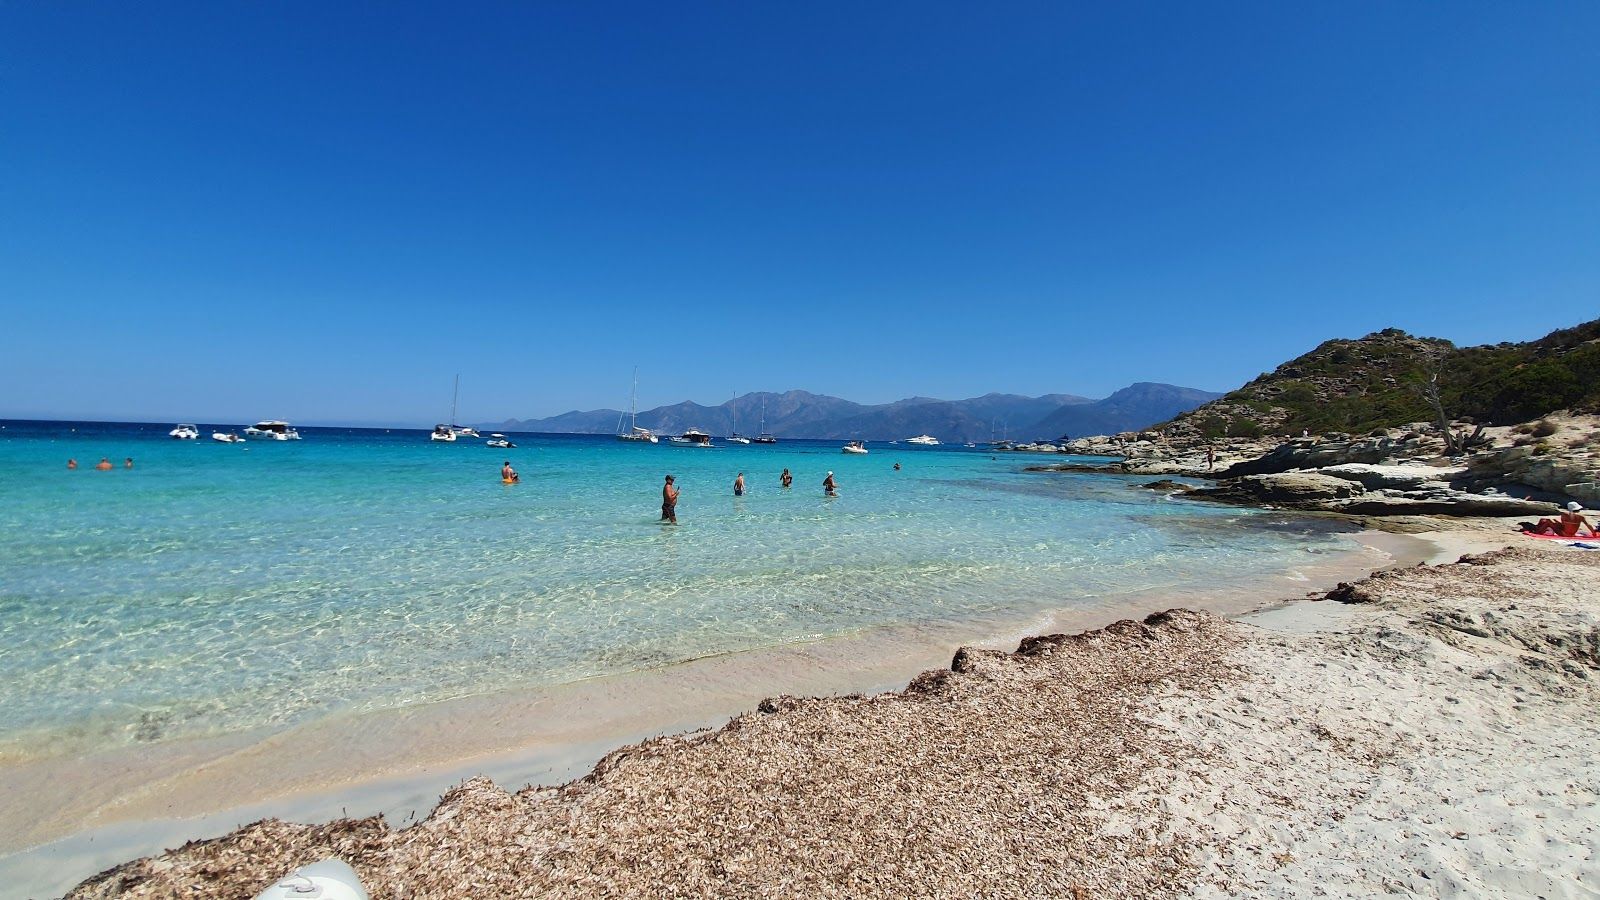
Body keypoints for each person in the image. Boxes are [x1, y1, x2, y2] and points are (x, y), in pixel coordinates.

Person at [1530, 501, 1597, 537]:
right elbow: (1588, 525)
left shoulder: (1565, 514)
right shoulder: (1581, 516)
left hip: (1564, 533)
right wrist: (1593, 533)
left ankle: (1538, 532)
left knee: (1547, 521)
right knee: (1551, 521)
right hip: (1572, 534)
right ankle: (1538, 529)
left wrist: (1555, 522)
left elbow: (1563, 525)